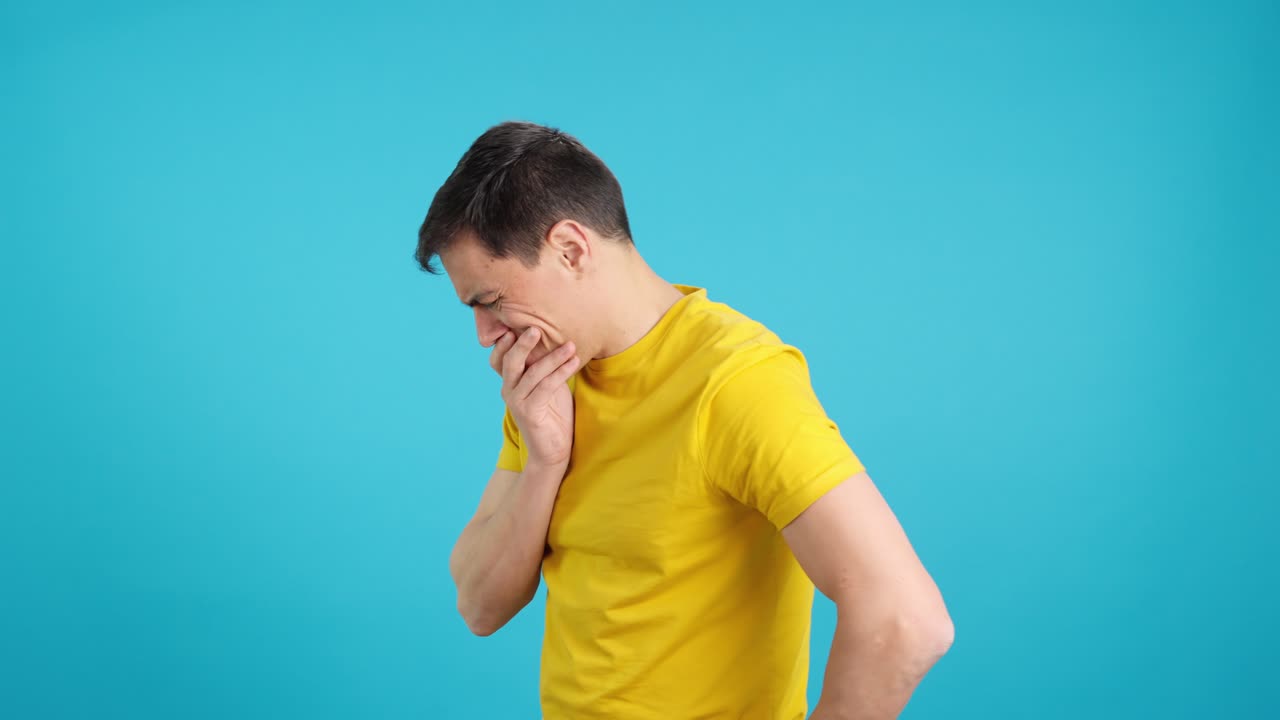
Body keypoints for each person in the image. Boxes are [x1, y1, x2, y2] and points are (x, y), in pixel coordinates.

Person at [415, 121, 953, 720]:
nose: (484, 335)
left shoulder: (734, 380)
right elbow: (479, 605)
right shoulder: (547, 382)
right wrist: (545, 462)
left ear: (570, 249)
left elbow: (906, 619)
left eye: (490, 301)